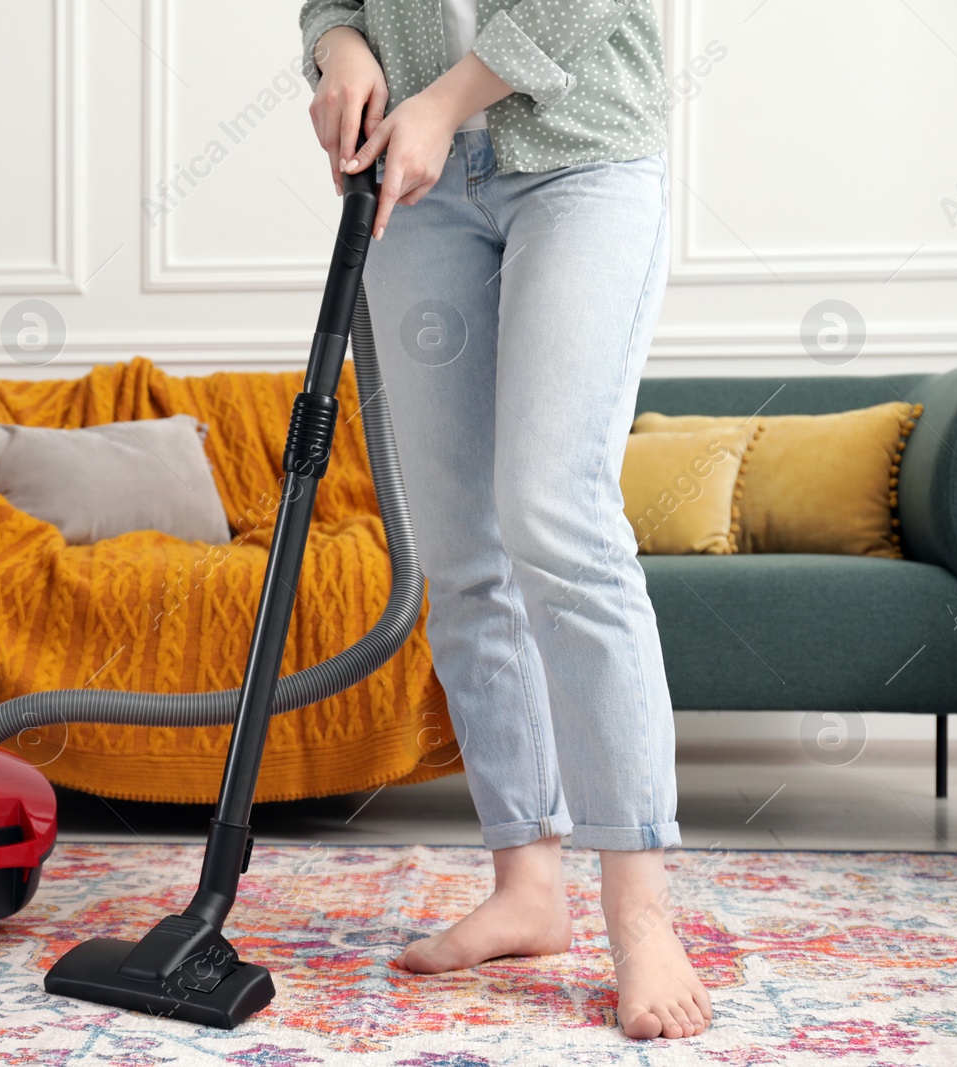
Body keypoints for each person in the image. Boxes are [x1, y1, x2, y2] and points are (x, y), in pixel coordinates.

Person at [300, 0, 712, 1041]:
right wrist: (336, 47)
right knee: (461, 547)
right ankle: (525, 882)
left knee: (554, 515)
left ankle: (640, 913)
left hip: (580, 158)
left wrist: (443, 99)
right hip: (415, 181)